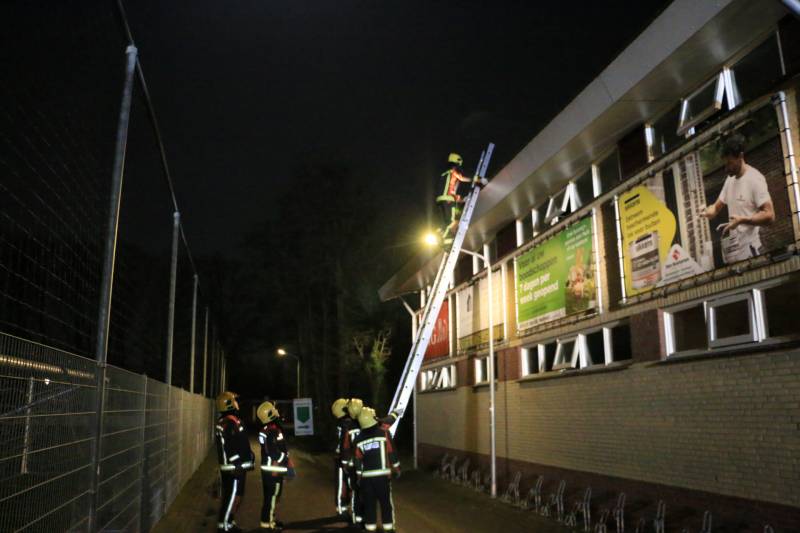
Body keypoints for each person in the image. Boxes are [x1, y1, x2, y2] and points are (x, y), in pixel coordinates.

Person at [702, 133, 775, 263]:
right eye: (725, 164)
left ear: (740, 156)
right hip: (735, 252)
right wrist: (708, 211)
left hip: (753, 251)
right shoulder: (729, 180)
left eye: (730, 163)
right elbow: (716, 208)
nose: (727, 168)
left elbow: (769, 215)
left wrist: (743, 220)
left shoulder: (755, 179)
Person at [352, 407, 401, 532]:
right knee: (386, 504)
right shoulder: (383, 433)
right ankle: (388, 529)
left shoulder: (358, 439)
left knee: (369, 506)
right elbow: (391, 452)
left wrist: (359, 477)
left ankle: (370, 528)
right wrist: (397, 468)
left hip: (366, 479)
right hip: (383, 477)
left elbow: (357, 460)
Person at [214, 391, 255, 533]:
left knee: (236, 497)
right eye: (234, 400)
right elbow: (230, 447)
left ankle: (230, 524)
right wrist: (237, 464)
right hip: (233, 469)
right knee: (230, 498)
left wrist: (250, 455)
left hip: (237, 467)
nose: (237, 403)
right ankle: (223, 527)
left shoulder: (231, 420)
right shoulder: (228, 423)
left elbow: (240, 442)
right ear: (229, 404)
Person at [257, 401, 292, 531]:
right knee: (272, 497)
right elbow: (273, 452)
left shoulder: (266, 429)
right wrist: (284, 458)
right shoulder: (272, 430)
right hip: (273, 470)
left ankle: (267, 519)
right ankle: (269, 523)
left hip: (269, 470)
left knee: (269, 497)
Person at [436, 153, 472, 244]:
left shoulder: (444, 175)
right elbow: (462, 178)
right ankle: (447, 242)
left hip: (440, 201)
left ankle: (441, 234)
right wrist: (477, 179)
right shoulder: (453, 172)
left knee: (445, 222)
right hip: (448, 200)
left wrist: (462, 199)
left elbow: (448, 190)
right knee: (453, 222)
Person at [341, 398, 365, 525]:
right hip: (365, 465)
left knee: (356, 490)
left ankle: (357, 518)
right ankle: (364, 518)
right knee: (365, 491)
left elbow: (345, 447)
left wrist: (345, 464)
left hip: (352, 465)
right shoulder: (366, 423)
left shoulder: (348, 427)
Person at [331, 398, 353, 517]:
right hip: (342, 458)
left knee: (344, 484)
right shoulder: (347, 424)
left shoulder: (342, 423)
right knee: (342, 485)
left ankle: (344, 507)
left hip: (342, 457)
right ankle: (341, 509)